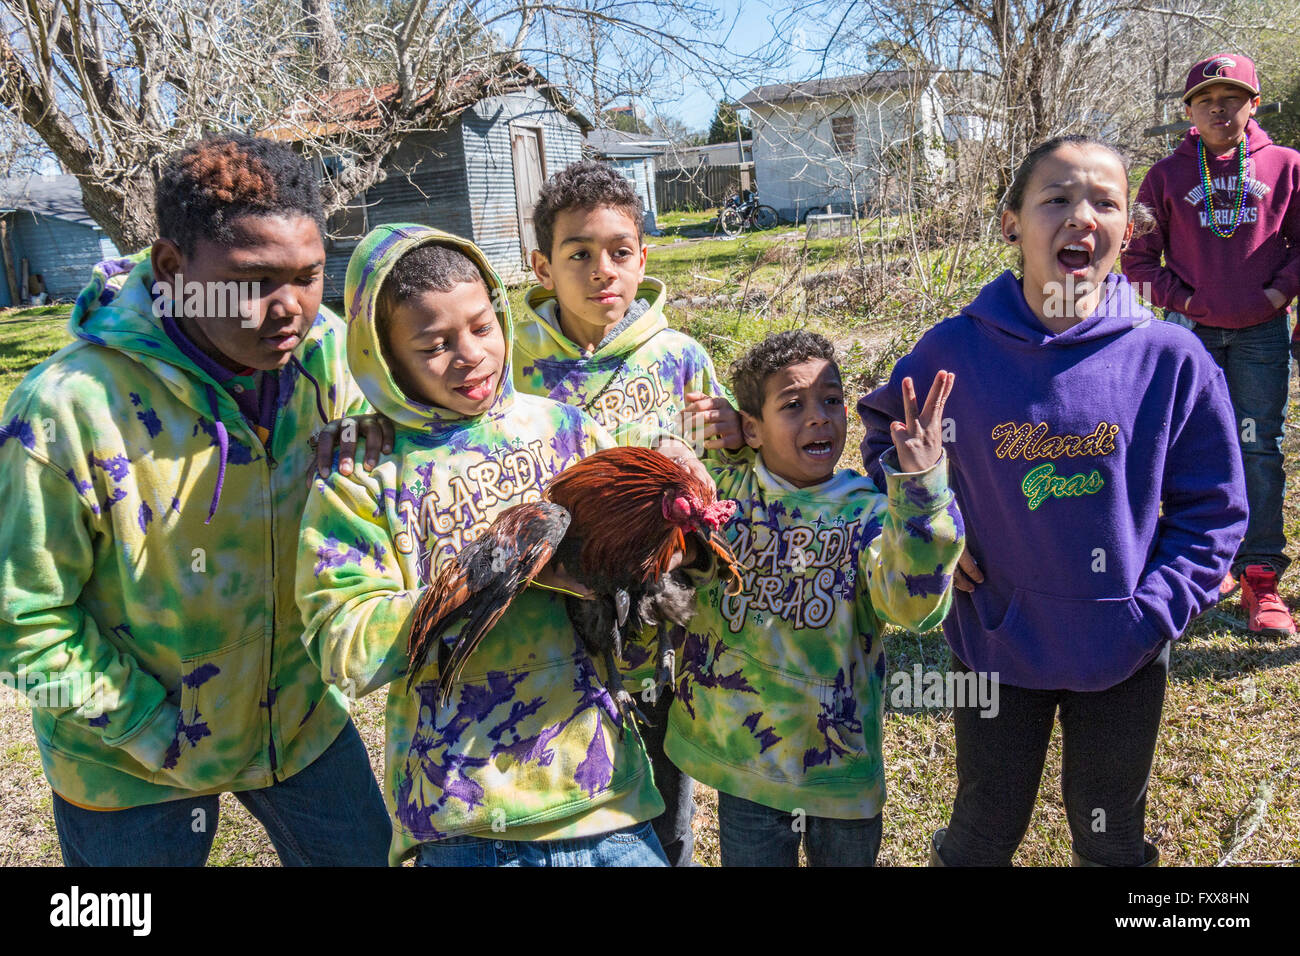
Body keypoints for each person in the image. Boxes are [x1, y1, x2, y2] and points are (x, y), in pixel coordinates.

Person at [0, 134, 391, 865]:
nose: (290, 310)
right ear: (175, 269)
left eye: (309, 276)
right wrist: (150, 730)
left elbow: (382, 483)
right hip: (128, 763)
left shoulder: (333, 356)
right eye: (254, 281)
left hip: (299, 718)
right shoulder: (64, 411)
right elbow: (19, 619)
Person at [861, 136, 1248, 866]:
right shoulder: (954, 350)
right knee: (982, 833)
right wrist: (935, 523)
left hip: (1125, 650)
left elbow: (1215, 514)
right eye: (1057, 199)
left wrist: (1150, 614)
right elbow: (888, 439)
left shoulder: (1170, 358)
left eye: (1104, 201)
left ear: (1127, 231)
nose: (1082, 217)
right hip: (996, 641)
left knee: (1109, 841)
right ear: (1011, 221)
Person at [297, 223, 669, 867]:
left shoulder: (568, 432)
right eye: (434, 344)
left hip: (603, 791)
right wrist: (477, 585)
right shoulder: (364, 474)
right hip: (466, 813)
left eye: (481, 326)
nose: (469, 354)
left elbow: (629, 591)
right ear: (385, 356)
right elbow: (341, 644)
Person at [512, 159, 743, 865]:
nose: (601, 270)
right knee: (561, 768)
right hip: (546, 613)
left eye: (619, 252)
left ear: (643, 258)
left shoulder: (679, 358)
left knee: (664, 783)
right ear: (543, 267)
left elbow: (717, 481)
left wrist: (737, 436)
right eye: (578, 253)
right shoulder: (508, 361)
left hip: (658, 624)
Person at [664, 330, 962, 866]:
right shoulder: (725, 496)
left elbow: (913, 609)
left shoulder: (869, 512)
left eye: (830, 399)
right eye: (793, 405)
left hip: (839, 775)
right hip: (747, 768)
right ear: (753, 427)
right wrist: (730, 436)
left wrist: (920, 489)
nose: (820, 417)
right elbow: (672, 466)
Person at [1124, 53, 1299, 636]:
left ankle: (1261, 574)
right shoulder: (1165, 177)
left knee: (1258, 446)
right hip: (1190, 336)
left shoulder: (1286, 166)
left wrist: (1276, 295)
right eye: (1205, 101)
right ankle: (1205, 564)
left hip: (1262, 335)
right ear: (1189, 112)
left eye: (1231, 98)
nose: (1218, 109)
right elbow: (1137, 260)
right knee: (1189, 448)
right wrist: (1191, 304)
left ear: (1254, 103)